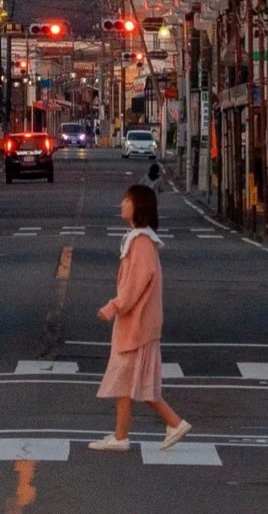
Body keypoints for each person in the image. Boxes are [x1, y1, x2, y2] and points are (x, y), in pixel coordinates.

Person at [89, 182, 191, 454]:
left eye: (127, 200)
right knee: (128, 381)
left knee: (138, 381)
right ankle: (122, 435)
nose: (122, 204)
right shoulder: (139, 239)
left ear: (139, 206)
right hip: (136, 324)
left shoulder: (142, 242)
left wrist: (114, 306)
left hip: (138, 325)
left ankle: (174, 422)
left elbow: (136, 283)